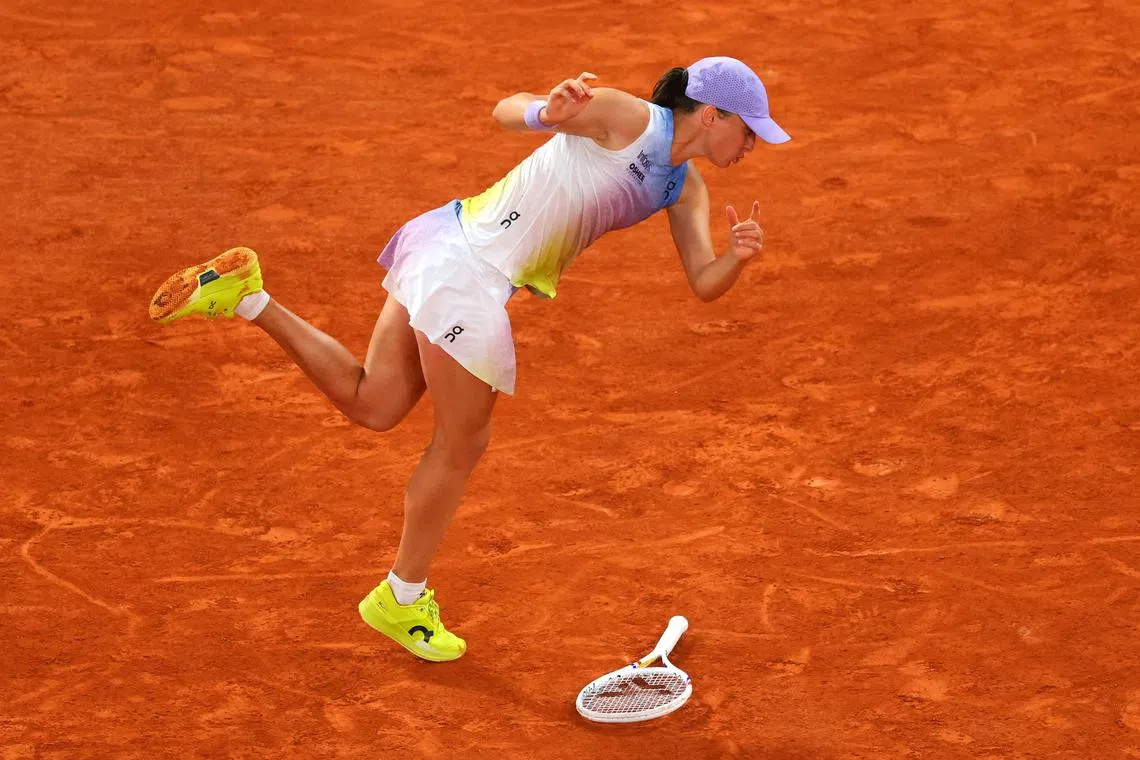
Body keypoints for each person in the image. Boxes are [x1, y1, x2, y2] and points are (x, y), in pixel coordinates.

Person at [148, 56, 790, 663]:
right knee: (463, 443)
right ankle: (400, 598)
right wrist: (549, 112)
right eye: (749, 129)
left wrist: (735, 256)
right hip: (468, 272)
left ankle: (248, 297)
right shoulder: (627, 118)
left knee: (376, 404)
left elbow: (704, 282)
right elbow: (506, 111)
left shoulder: (684, 189)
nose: (753, 144)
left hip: (448, 245)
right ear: (710, 114)